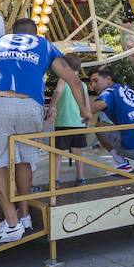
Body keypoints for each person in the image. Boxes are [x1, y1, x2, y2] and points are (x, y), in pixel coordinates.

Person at [0, 19, 86, 244]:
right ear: (35, 33)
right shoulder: (44, 45)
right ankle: (25, 215)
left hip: (0, 101)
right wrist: (85, 110)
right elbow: (74, 81)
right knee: (24, 160)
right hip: (30, 106)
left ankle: (11, 222)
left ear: (12, 31)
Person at [89, 65, 134, 171]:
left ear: (108, 79)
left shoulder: (108, 93)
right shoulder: (125, 88)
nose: (92, 86)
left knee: (100, 127)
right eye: (91, 83)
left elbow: (96, 107)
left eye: (95, 81)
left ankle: (122, 164)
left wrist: (83, 112)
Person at [50, 53, 89, 184]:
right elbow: (86, 102)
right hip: (79, 123)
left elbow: (57, 92)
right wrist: (87, 115)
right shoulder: (82, 85)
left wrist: (52, 106)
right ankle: (81, 177)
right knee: (78, 152)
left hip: (63, 122)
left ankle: (55, 179)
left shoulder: (63, 80)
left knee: (57, 153)